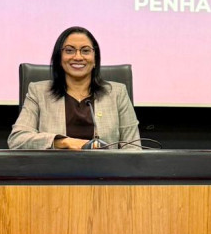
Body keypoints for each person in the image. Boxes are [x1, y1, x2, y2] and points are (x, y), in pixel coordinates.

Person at [8, 26, 140, 150]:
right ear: (59, 58)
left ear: (95, 59)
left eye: (85, 51)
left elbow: (133, 148)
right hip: (54, 167)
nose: (78, 57)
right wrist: (64, 142)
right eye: (69, 50)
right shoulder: (38, 92)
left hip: (105, 167)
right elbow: (17, 140)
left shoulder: (117, 93)